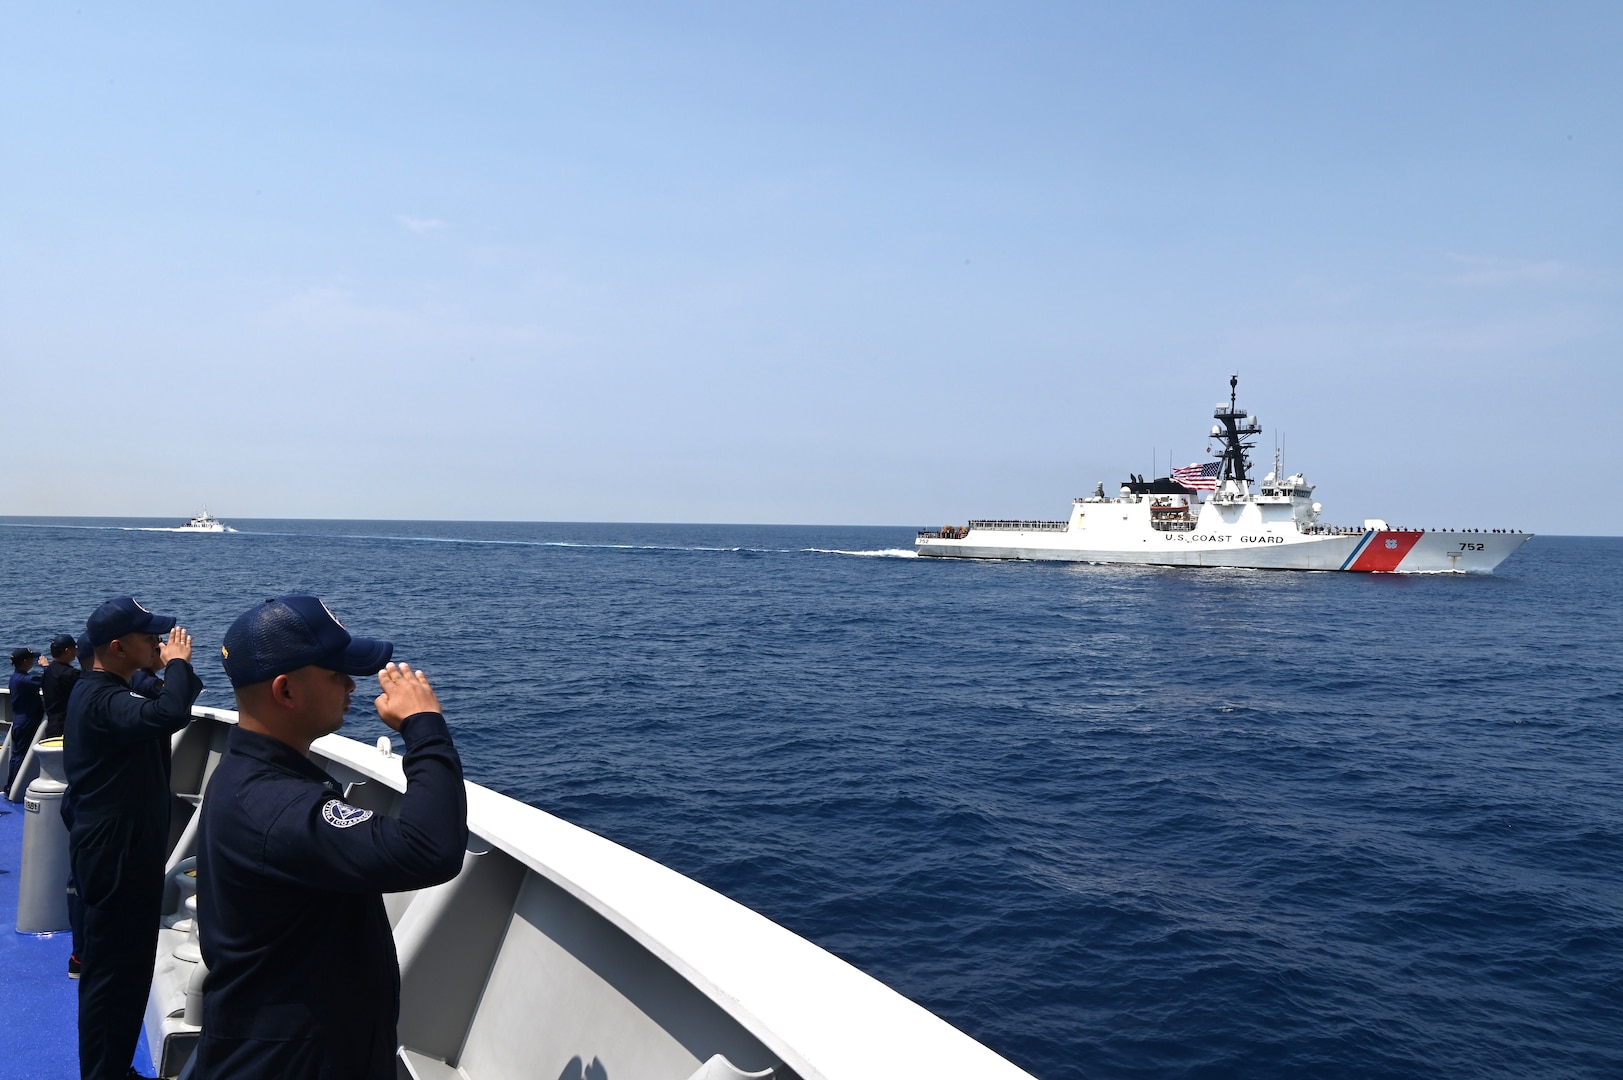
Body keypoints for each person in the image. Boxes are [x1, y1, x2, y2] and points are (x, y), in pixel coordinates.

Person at [193, 595, 466, 1079]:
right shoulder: (276, 806)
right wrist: (425, 729)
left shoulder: (254, 775)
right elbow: (431, 850)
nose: (351, 685)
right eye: (337, 673)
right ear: (286, 691)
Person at [64, 597, 203, 1080]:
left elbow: (162, 695)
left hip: (120, 851)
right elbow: (169, 714)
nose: (157, 643)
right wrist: (180, 664)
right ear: (117, 647)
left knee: (126, 972)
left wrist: (168, 668)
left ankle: (113, 1069)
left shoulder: (109, 687)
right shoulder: (103, 700)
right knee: (112, 977)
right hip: (115, 857)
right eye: (147, 638)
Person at [6, 646, 45, 793]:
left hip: (20, 721)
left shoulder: (15, 678)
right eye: (30, 659)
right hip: (26, 722)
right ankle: (14, 788)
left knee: (16, 756)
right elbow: (44, 681)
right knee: (21, 756)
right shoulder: (24, 680)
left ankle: (11, 786)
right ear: (24, 661)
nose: (32, 661)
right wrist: (47, 668)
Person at [41, 634, 81, 740]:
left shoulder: (48, 671)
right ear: (67, 651)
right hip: (66, 726)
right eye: (74, 649)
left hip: (52, 724)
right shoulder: (71, 674)